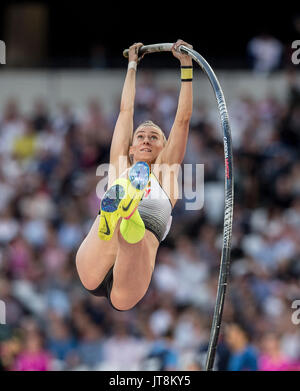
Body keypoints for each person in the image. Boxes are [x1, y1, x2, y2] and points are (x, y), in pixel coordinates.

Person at [76, 39, 193, 311]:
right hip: (93, 262)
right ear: (131, 147)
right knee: (121, 204)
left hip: (128, 285)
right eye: (140, 136)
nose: (146, 140)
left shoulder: (166, 174)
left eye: (154, 137)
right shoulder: (121, 165)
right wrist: (131, 65)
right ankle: (119, 213)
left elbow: (182, 120)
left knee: (130, 237)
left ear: (165, 147)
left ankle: (126, 213)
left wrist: (186, 67)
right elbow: (125, 111)